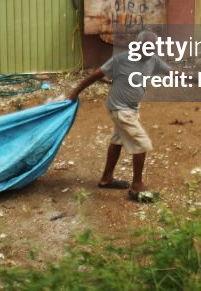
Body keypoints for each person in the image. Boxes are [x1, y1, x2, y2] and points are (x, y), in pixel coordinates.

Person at [66, 30, 169, 202]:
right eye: (146, 49)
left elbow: (175, 74)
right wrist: (75, 92)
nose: (149, 53)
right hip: (120, 109)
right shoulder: (121, 60)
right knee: (142, 144)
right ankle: (137, 185)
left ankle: (106, 179)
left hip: (132, 108)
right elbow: (95, 75)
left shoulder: (153, 61)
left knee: (118, 140)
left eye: (153, 49)